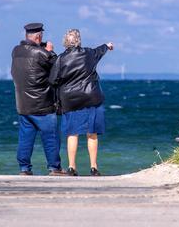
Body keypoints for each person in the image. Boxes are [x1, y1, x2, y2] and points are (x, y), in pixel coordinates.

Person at [49, 29, 113, 176]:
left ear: (66, 41)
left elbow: (52, 80)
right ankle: (93, 167)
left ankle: (71, 167)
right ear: (78, 40)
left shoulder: (60, 59)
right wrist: (107, 46)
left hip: (70, 100)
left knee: (72, 133)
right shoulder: (88, 53)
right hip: (91, 97)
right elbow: (100, 50)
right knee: (92, 133)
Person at [11, 23, 65, 176]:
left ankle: (24, 168)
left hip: (23, 104)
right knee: (51, 137)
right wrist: (50, 51)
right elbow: (57, 66)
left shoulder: (16, 51)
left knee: (25, 138)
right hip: (42, 104)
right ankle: (54, 168)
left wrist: (41, 48)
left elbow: (30, 56)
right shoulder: (42, 54)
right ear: (39, 36)